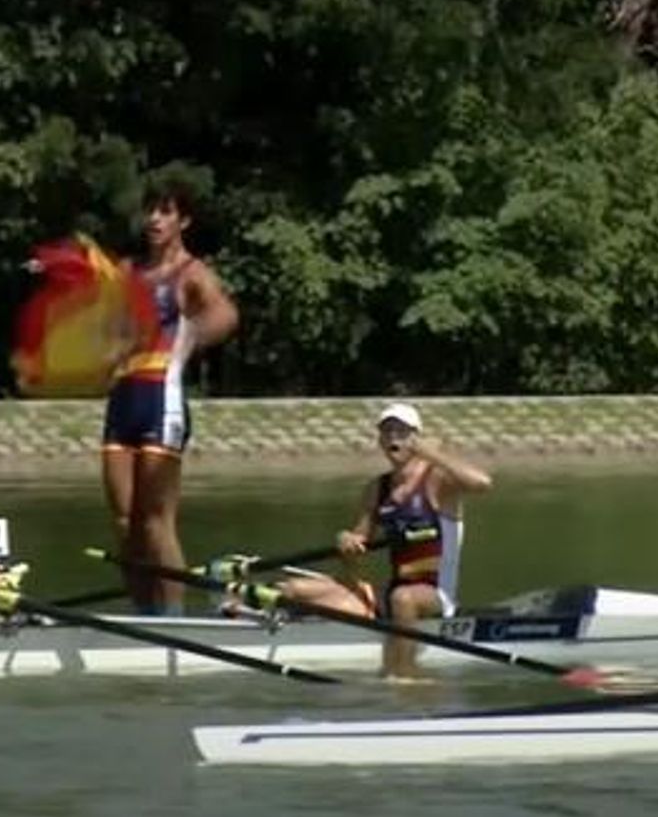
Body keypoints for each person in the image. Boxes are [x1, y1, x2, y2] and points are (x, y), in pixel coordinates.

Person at [277, 402, 494, 680]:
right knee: (295, 589)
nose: (393, 438)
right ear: (380, 440)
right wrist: (346, 541)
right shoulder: (376, 489)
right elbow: (356, 552)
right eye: (387, 431)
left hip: (436, 595)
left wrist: (432, 453)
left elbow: (483, 483)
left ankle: (404, 675)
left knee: (403, 598)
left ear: (416, 437)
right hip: (389, 594)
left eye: (401, 432)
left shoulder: (438, 480)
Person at [102, 181, 239, 615]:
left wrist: (189, 340)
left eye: (164, 212)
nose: (154, 220)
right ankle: (145, 615)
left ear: (184, 220)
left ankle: (175, 620)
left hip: (162, 399)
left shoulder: (192, 273)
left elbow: (225, 315)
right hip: (122, 399)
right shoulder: (129, 271)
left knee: (156, 522)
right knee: (126, 524)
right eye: (150, 211)